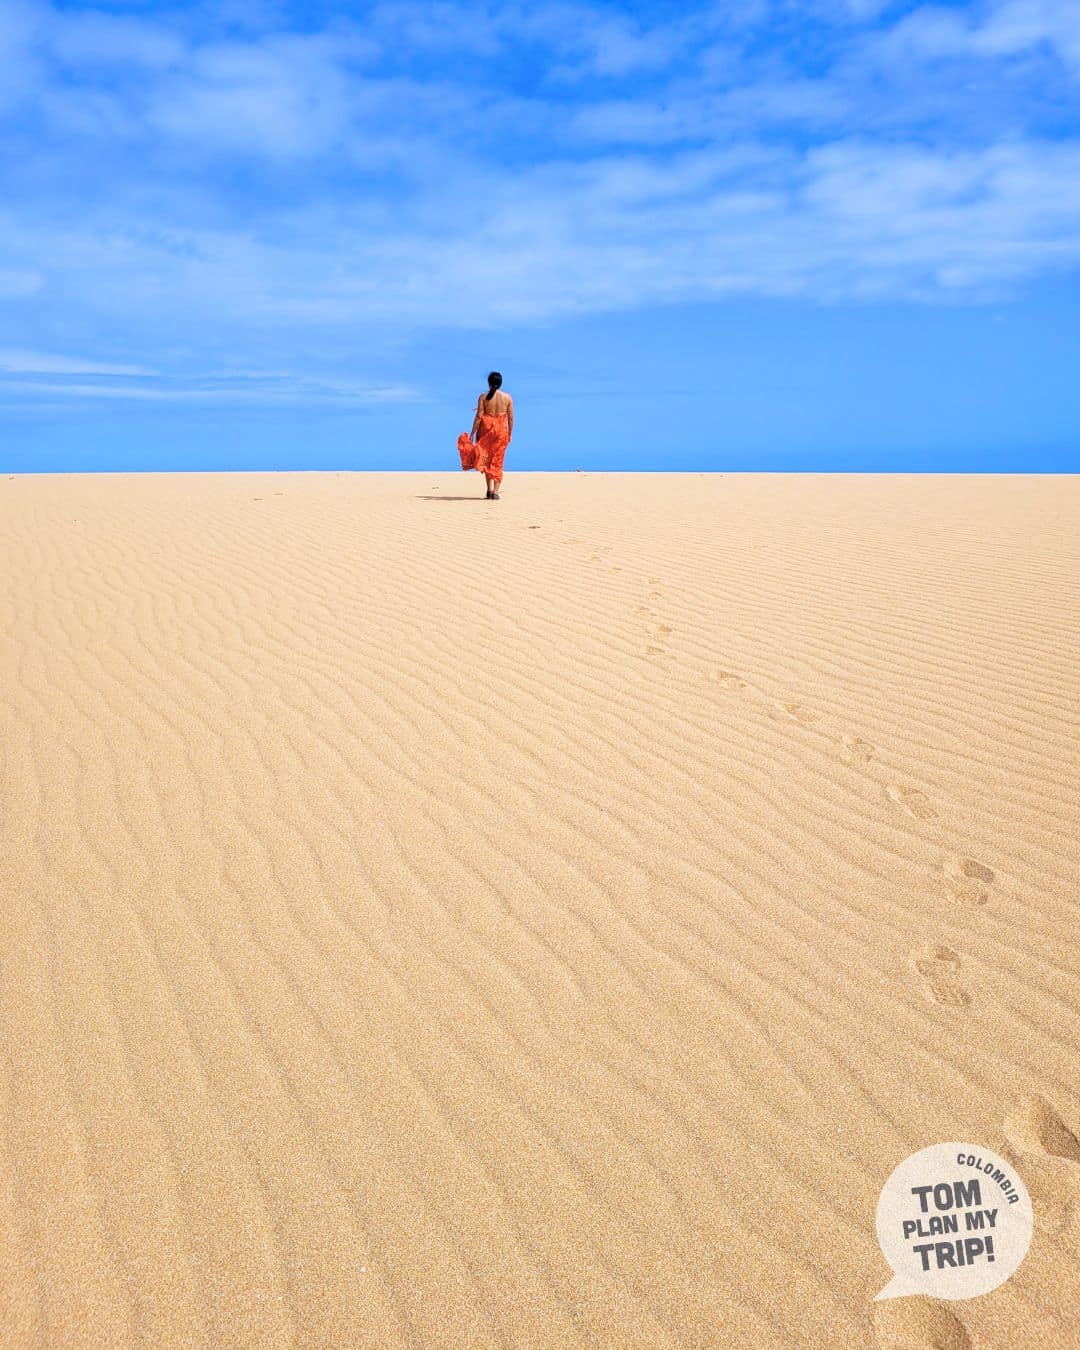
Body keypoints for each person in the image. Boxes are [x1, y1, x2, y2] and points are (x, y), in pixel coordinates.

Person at [458, 371, 513, 500]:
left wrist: (473, 432)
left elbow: (479, 416)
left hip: (486, 429)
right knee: (498, 461)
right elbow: (510, 418)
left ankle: (489, 489)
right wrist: (509, 433)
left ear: (489, 383)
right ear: (500, 383)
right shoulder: (508, 398)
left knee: (486, 459)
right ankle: (495, 492)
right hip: (501, 432)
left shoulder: (483, 397)